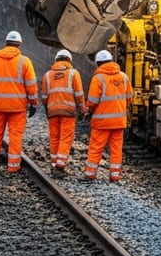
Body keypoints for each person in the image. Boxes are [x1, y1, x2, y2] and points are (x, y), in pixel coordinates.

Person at [0, 30, 38, 173]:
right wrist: (33, 103)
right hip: (17, 108)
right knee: (15, 136)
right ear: (19, 44)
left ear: (6, 43)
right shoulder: (25, 61)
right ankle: (13, 167)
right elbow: (31, 85)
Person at [83, 50, 133, 182]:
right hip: (119, 121)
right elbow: (129, 98)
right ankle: (115, 175)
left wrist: (87, 108)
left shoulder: (98, 78)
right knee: (116, 149)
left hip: (102, 121)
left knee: (96, 147)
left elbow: (93, 101)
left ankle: (90, 174)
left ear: (98, 63)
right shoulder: (123, 77)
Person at [41, 49, 85, 175]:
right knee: (65, 138)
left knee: (54, 137)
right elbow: (79, 94)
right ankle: (60, 164)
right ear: (69, 60)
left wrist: (47, 107)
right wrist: (82, 109)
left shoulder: (47, 75)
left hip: (52, 112)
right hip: (68, 112)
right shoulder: (73, 73)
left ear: (56, 60)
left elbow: (44, 96)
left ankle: (54, 162)